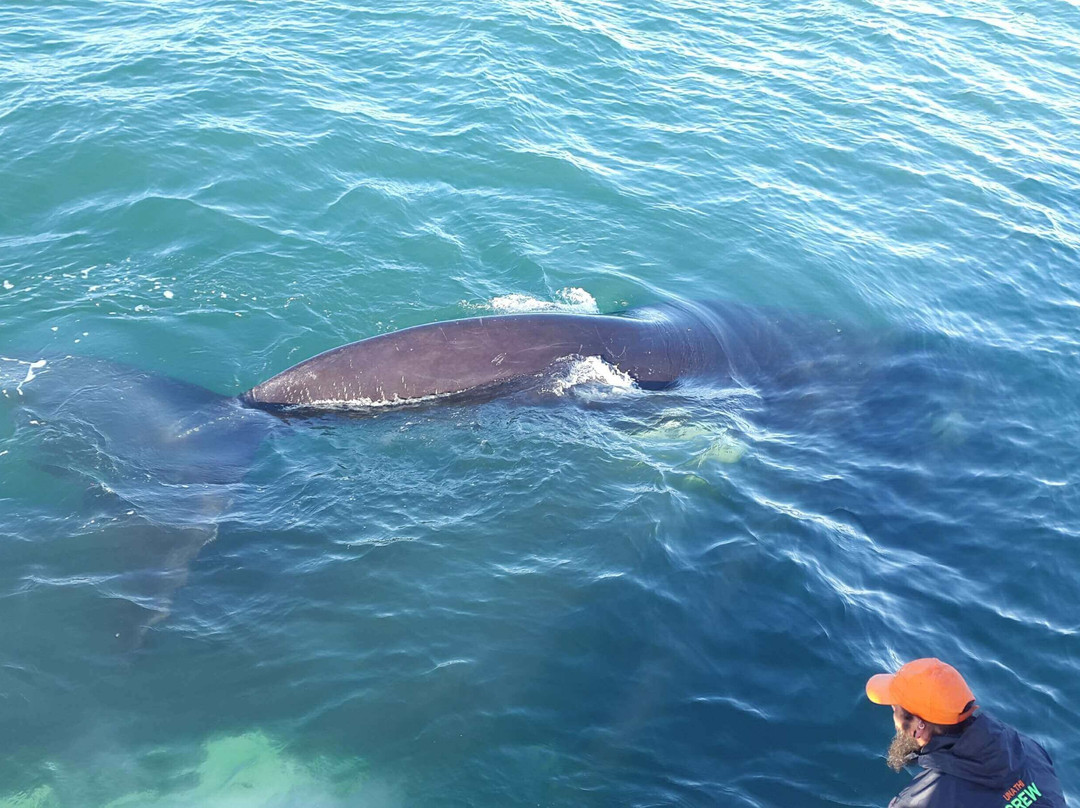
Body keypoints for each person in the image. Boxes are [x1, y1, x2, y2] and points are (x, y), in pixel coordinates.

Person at [865, 657, 1067, 807]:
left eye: (894, 709)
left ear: (919, 726)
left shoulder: (917, 803)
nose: (893, 717)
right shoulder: (1029, 750)